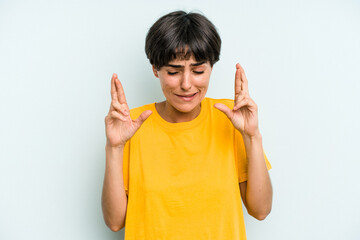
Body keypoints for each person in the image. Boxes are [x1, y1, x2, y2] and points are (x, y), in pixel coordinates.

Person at [102, 10, 272, 240]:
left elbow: (260, 210)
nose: (186, 84)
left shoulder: (231, 118)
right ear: (155, 69)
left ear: (211, 67)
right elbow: (114, 222)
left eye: (198, 71)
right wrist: (114, 147)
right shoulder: (130, 124)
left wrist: (252, 136)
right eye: (173, 71)